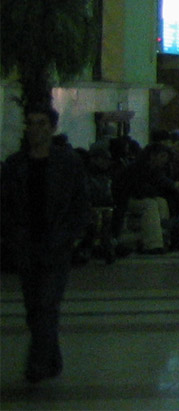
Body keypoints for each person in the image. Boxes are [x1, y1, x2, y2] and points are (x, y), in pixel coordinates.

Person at [1, 104, 91, 384]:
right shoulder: (15, 165)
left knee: (47, 304)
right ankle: (51, 359)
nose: (34, 129)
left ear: (52, 128)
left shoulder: (68, 163)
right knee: (33, 308)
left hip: (56, 244)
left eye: (41, 123)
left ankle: (37, 363)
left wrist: (71, 235)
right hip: (26, 245)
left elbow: (80, 201)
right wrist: (12, 236)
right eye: (30, 123)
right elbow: (5, 204)